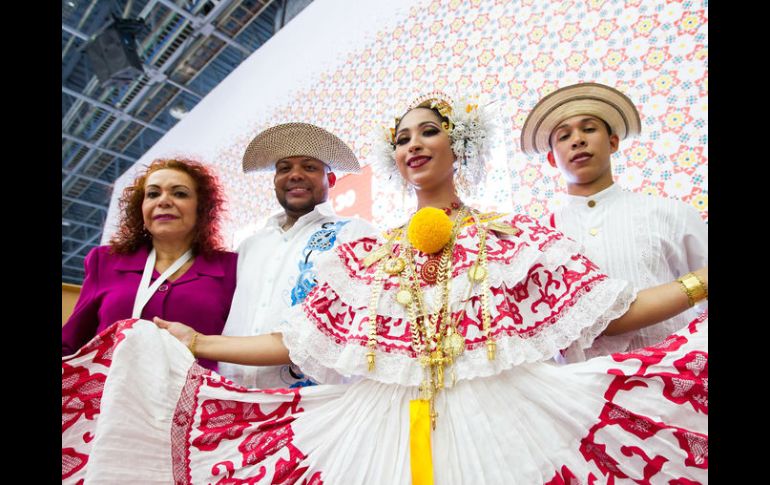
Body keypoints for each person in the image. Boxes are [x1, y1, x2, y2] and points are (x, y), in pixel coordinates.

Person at [62, 95, 708, 484]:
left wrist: (702, 280)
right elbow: (296, 340)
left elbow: (618, 312)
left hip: (506, 423)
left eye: (429, 131)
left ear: (458, 146)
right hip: (384, 432)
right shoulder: (370, 254)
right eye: (402, 137)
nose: (414, 144)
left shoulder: (513, 236)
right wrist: (201, 338)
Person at [520, 82, 708, 361]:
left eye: (589, 128)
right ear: (551, 158)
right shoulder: (538, 238)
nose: (578, 140)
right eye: (563, 136)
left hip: (678, 389)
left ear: (613, 142)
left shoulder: (672, 213)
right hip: (584, 398)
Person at [220, 122, 376, 388]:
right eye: (284, 168)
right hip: (234, 397)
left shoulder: (354, 234)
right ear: (274, 181)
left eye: (310, 167)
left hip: (315, 405)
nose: (295, 175)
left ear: (331, 179)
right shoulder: (249, 246)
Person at [61, 158, 237, 371]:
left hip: (196, 399)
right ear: (141, 207)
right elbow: (70, 343)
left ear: (202, 208)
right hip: (108, 399)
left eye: (179, 193)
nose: (163, 201)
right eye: (153, 194)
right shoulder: (105, 261)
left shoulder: (230, 268)